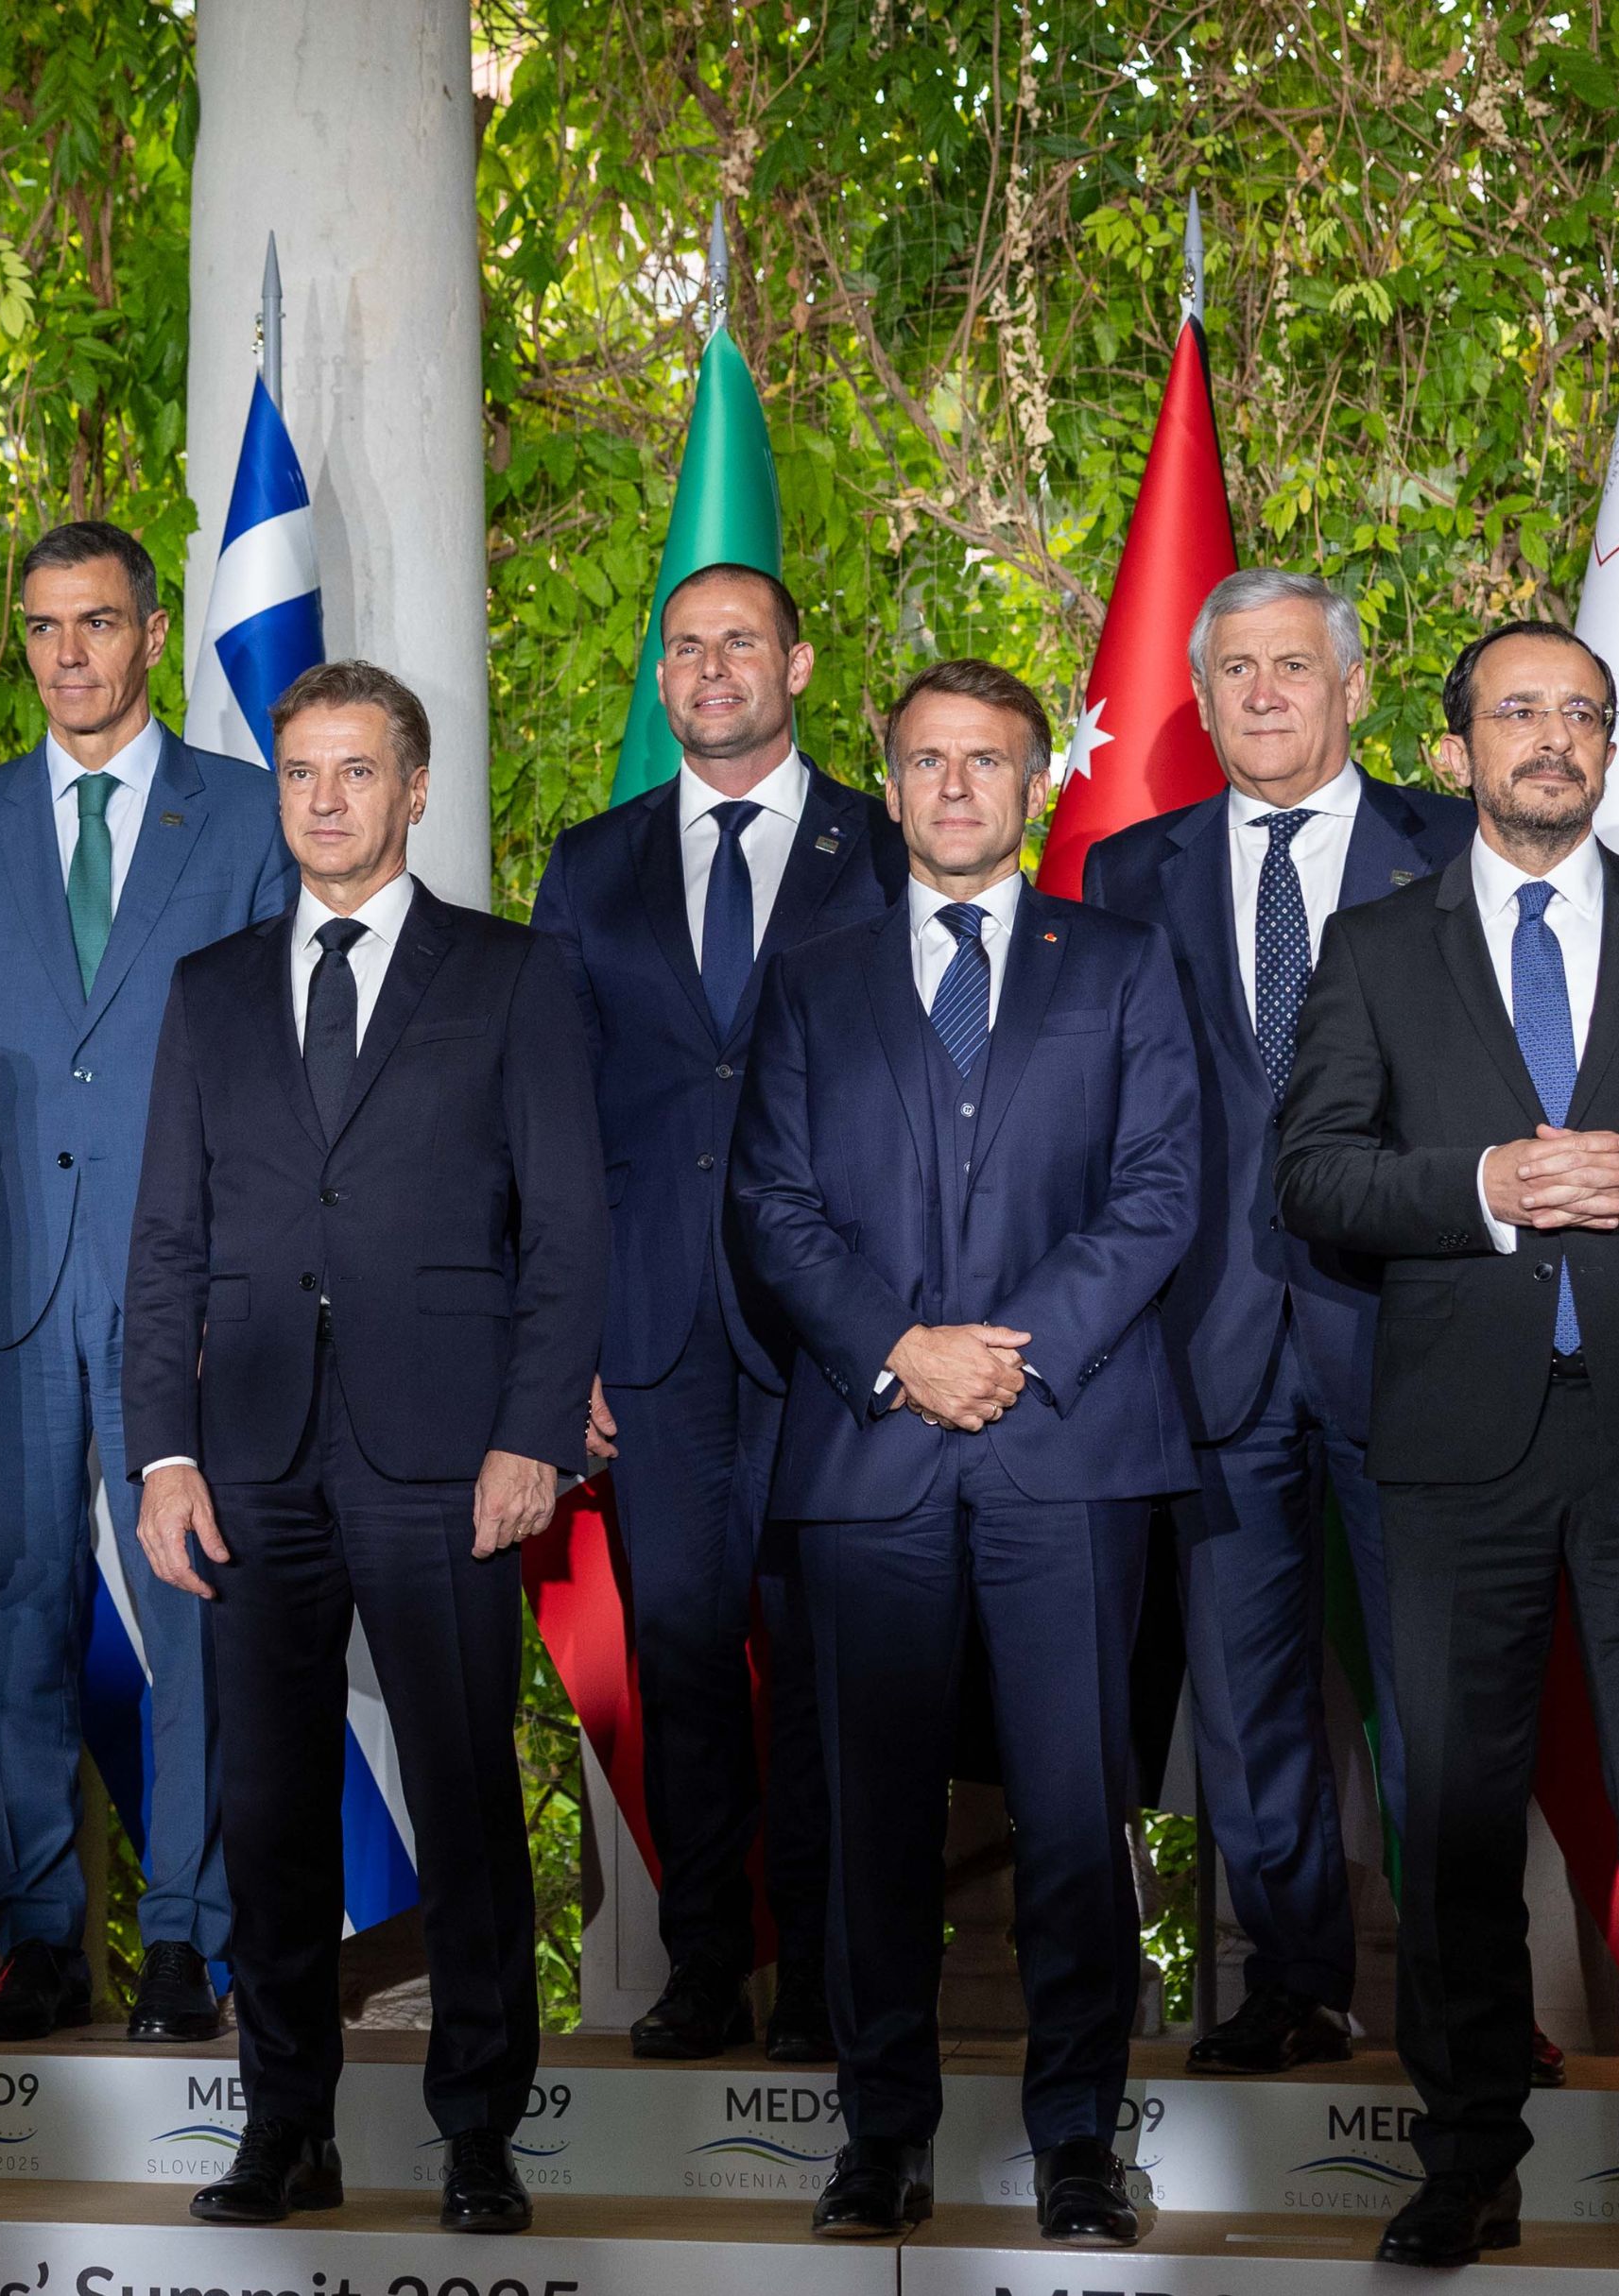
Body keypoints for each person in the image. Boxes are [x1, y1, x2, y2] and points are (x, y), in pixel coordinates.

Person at [1275, 622, 1619, 2278]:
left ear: (1608, 745)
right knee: (1454, 1819)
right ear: (1456, 749)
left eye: (1581, 711)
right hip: (1458, 1443)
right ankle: (1466, 2162)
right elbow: (1312, 1173)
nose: (1553, 735)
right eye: (1519, 709)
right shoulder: (1374, 945)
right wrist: (1481, 1188)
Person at [128, 661, 602, 2238]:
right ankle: (286, 2125)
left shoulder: (512, 974)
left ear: (415, 788)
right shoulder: (209, 987)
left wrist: (534, 1431)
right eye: (299, 773)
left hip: (446, 1456)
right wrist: (162, 1453)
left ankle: (478, 2131)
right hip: (250, 1461)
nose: (324, 800)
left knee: (465, 1798)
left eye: (354, 771)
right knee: (266, 1808)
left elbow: (568, 1229)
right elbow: (165, 1242)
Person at [730, 660, 1197, 2251]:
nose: (952, 785)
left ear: (1034, 784)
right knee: (873, 1825)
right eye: (926, 760)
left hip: (1068, 1445)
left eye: (984, 760)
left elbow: (1160, 1190)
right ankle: (881, 2139)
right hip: (871, 1452)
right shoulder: (812, 978)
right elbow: (770, 1202)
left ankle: (1078, 2143)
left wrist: (1012, 1352)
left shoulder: (1121, 964)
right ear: (889, 784)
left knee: (1071, 1818)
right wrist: (902, 1351)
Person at [0, 520, 286, 2045]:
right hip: (6, 1294)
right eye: (46, 626)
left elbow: (277, 1071)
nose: (69, 654)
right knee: (21, 1608)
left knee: (195, 1603)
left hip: (184, 1285)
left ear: (152, 631)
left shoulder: (245, 817)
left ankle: (191, 1936)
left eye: (98, 622)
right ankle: (42, 1939)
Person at [1077, 570, 1474, 2077]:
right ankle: (1296, 1981)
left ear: (1352, 688)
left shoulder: (1455, 851)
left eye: (1292, 666)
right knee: (1247, 1701)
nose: (1262, 693)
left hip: (1416, 1334)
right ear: (1200, 698)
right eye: (1234, 670)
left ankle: (1462, 1994)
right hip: (1210, 1344)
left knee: (1440, 1695)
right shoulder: (1128, 872)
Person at [530, 561, 901, 2064]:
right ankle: (705, 1965)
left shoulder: (887, 846)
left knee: (830, 1665)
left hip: (836, 1335)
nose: (711, 667)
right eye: (684, 645)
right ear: (661, 675)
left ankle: (822, 1970)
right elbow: (550, 1120)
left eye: (740, 641)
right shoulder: (589, 864)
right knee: (682, 1656)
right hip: (654, 1331)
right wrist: (563, 1347)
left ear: (796, 665)